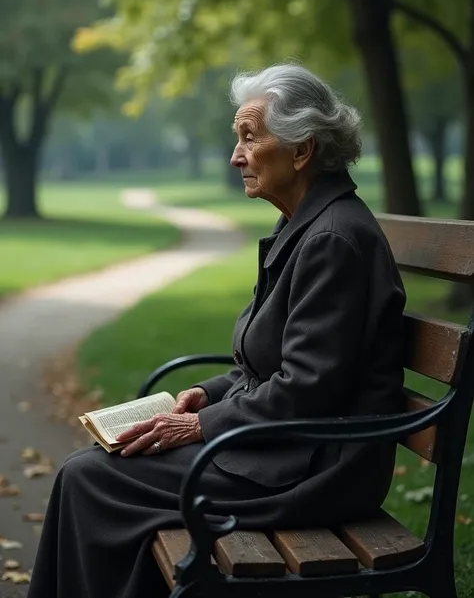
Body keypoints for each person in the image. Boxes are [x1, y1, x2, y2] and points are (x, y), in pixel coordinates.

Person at [27, 64, 406, 598]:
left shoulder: (332, 240)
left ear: (302, 151)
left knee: (87, 479)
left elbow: (305, 388)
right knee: (93, 474)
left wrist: (202, 426)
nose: (235, 156)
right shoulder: (307, 225)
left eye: (250, 137)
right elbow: (273, 364)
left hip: (316, 471)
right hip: (286, 449)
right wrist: (209, 393)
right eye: (238, 139)